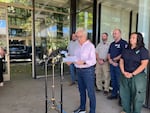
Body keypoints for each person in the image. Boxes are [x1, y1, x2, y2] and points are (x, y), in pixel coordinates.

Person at [119, 32, 149, 113]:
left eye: (133, 38)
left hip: (138, 76)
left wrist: (132, 74)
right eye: (130, 37)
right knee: (124, 94)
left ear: (138, 39)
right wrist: (123, 71)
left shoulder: (143, 50)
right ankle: (126, 110)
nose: (130, 39)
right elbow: (121, 61)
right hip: (125, 75)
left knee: (137, 96)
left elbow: (144, 64)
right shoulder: (126, 49)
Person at [73, 28, 96, 113]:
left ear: (85, 36)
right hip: (79, 71)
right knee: (81, 91)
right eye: (77, 37)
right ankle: (82, 108)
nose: (78, 39)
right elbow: (76, 58)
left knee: (90, 92)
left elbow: (93, 61)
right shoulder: (77, 46)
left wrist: (84, 62)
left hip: (88, 71)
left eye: (80, 37)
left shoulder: (90, 46)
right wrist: (72, 60)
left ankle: (92, 111)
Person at [107, 29, 128, 100]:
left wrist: (114, 59)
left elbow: (123, 54)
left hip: (119, 66)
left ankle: (122, 98)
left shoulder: (124, 43)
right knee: (113, 80)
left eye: (115, 33)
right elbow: (109, 53)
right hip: (112, 65)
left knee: (119, 81)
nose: (114, 35)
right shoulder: (112, 44)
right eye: (113, 33)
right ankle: (114, 94)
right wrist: (110, 60)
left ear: (120, 34)